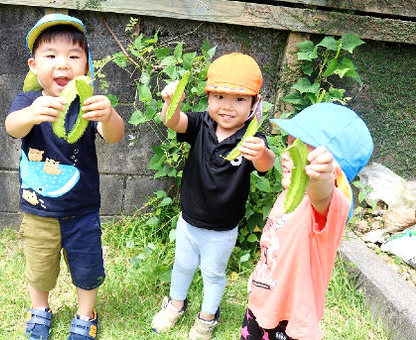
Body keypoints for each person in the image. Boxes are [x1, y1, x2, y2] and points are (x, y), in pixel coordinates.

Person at [4, 14, 124, 340]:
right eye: (51, 56)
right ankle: (40, 309)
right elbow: (12, 126)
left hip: (82, 209)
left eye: (74, 56)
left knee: (87, 268)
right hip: (37, 208)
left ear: (87, 66)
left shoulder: (88, 103)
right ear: (33, 65)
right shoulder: (28, 101)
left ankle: (86, 314)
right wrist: (29, 115)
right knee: (39, 268)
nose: (63, 65)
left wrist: (110, 114)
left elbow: (114, 135)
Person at [151, 52, 276, 340]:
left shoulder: (252, 138)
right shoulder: (200, 124)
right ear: (208, 98)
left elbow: (265, 165)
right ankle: (175, 305)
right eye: (219, 96)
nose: (227, 107)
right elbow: (173, 121)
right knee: (182, 265)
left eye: (239, 99)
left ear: (255, 104)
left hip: (222, 230)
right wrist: (172, 103)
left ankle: (207, 318)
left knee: (213, 274)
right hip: (189, 221)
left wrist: (263, 153)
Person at [240, 102, 373, 340]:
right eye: (289, 143)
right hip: (261, 305)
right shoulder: (288, 194)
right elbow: (272, 246)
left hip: (290, 323)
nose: (286, 154)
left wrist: (321, 178)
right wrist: (257, 278)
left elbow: (323, 193)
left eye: (301, 149)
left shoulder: (325, 208)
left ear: (332, 170)